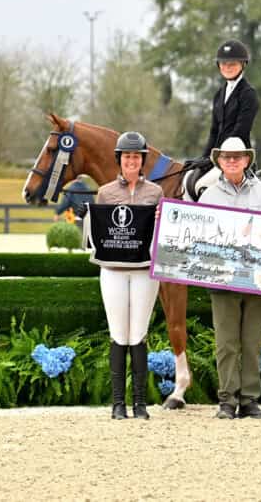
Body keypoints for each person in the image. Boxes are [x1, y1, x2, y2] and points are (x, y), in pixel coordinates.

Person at [199, 136, 261, 420]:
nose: (232, 161)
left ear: (246, 160)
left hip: (259, 277)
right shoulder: (208, 195)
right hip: (224, 279)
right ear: (219, 161)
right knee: (226, 342)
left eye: (237, 156)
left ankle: (250, 400)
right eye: (227, 157)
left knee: (253, 341)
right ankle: (227, 400)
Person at [90, 131, 163, 421]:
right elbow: (97, 232)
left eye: (136, 156)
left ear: (142, 160)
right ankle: (118, 403)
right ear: (119, 159)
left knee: (139, 334)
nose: (131, 161)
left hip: (144, 270)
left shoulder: (155, 193)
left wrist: (162, 220)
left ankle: (140, 404)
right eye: (127, 156)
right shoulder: (106, 193)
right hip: (114, 271)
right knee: (119, 334)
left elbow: (161, 236)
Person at [189, 39, 259, 198]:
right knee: (188, 180)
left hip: (237, 157)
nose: (227, 67)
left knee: (202, 186)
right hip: (219, 157)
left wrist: (219, 156)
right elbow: (214, 131)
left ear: (243, 65)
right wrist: (204, 157)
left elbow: (240, 132)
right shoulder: (219, 94)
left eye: (232, 64)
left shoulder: (248, 94)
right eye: (224, 64)